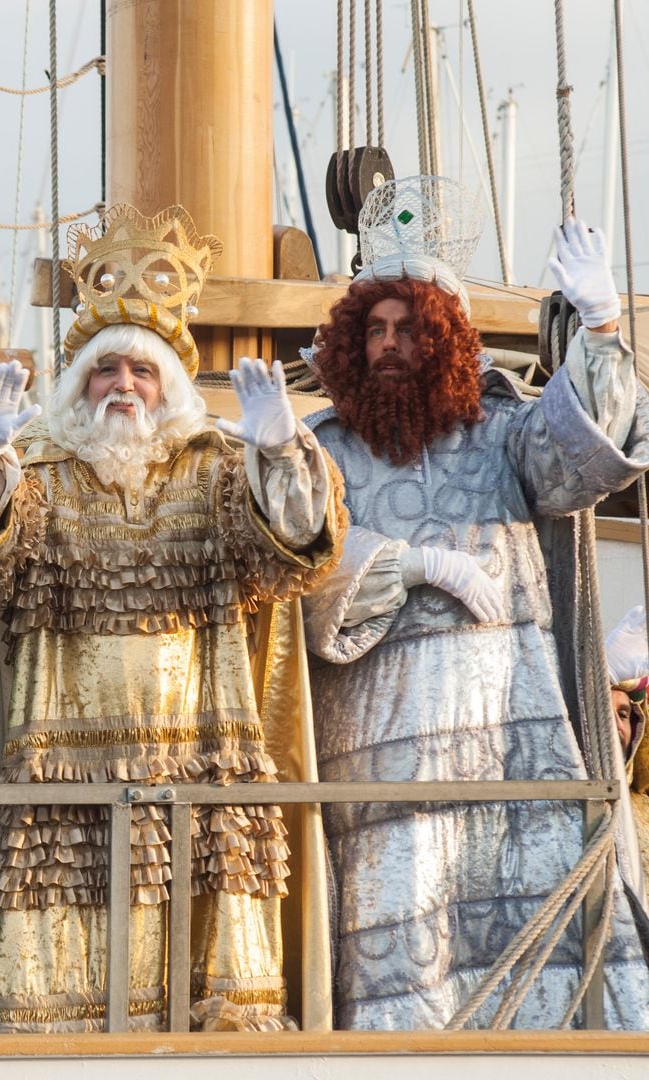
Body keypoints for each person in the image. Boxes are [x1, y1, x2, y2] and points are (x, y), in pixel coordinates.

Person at [0, 204, 346, 1031]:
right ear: (79, 387)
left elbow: (296, 552)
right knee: (57, 1002)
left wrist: (281, 453)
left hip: (203, 765)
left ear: (170, 387)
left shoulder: (221, 469)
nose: (122, 387)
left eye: (141, 372)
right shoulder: (37, 471)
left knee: (209, 1006)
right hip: (60, 782)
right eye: (104, 371)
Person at [300, 176, 649, 1029]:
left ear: (446, 338)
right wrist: (406, 564)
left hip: (509, 740)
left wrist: (602, 332)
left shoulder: (504, 432)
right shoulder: (328, 448)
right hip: (380, 752)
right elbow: (295, 571)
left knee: (532, 916)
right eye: (375, 330)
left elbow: (584, 465)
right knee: (397, 931)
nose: (391, 345)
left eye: (411, 329)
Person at [606, 606, 649, 885]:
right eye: (603, 712)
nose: (616, 726)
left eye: (623, 714)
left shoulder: (643, 805)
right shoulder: (562, 803)